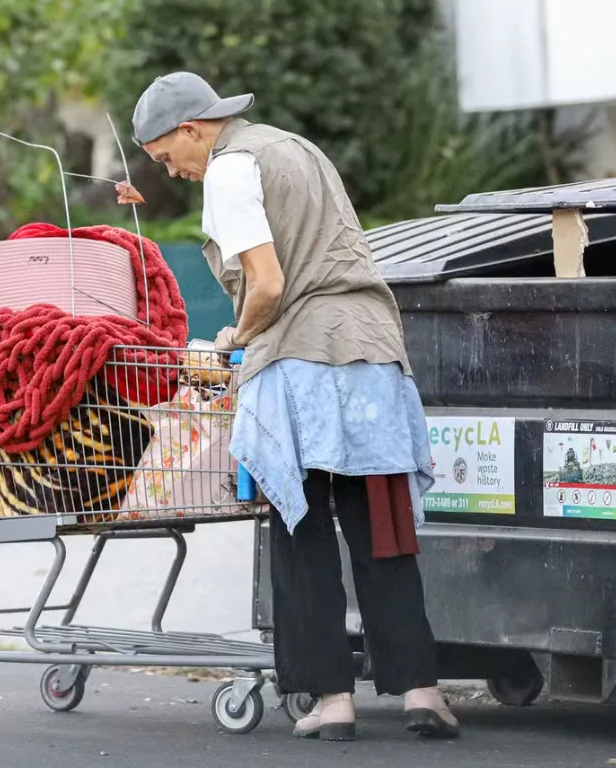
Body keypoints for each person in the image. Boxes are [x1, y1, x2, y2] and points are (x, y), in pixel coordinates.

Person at [128, 71, 459, 742]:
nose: (174, 172)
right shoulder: (298, 148)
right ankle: (421, 692)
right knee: (381, 523)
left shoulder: (229, 169)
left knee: (299, 526)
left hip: (300, 360)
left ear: (191, 129)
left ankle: (332, 702)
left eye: (167, 157)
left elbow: (268, 284)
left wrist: (233, 339)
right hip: (371, 353)